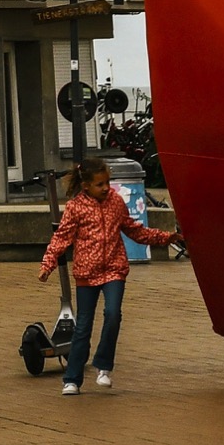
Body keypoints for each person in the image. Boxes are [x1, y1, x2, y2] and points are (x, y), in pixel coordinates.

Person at [38, 150, 178, 390]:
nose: (106, 188)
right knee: (83, 325)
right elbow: (62, 238)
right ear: (85, 186)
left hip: (114, 269)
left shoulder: (115, 202)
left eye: (107, 183)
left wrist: (166, 238)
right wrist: (47, 264)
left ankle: (104, 365)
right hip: (87, 273)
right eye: (99, 184)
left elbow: (134, 230)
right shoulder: (75, 207)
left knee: (113, 315)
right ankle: (72, 379)